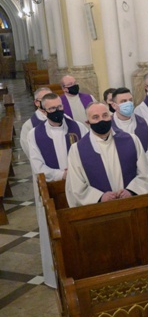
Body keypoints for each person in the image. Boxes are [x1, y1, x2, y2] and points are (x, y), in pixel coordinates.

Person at [28, 93, 89, 288]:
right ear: (44, 111)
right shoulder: (34, 134)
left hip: (80, 186)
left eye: (59, 107)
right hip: (55, 191)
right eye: (52, 109)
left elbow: (89, 152)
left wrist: (77, 172)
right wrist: (61, 175)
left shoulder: (78, 127)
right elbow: (38, 167)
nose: (57, 111)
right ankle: (58, 277)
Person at [65, 102, 148, 207]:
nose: (101, 120)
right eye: (95, 117)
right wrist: (100, 197)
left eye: (105, 115)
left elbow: (145, 174)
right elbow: (76, 186)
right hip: (101, 211)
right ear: (87, 122)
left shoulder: (131, 140)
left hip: (132, 205)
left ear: (110, 117)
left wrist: (131, 190)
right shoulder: (77, 150)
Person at [111, 87, 148, 164]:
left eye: (130, 100)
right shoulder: (108, 126)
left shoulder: (145, 124)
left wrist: (140, 166)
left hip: (145, 170)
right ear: (114, 105)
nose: (128, 103)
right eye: (123, 101)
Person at [20, 87, 50, 156]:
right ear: (36, 102)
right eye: (44, 99)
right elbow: (29, 151)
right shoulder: (28, 126)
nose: (49, 102)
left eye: (51, 98)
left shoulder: (64, 118)